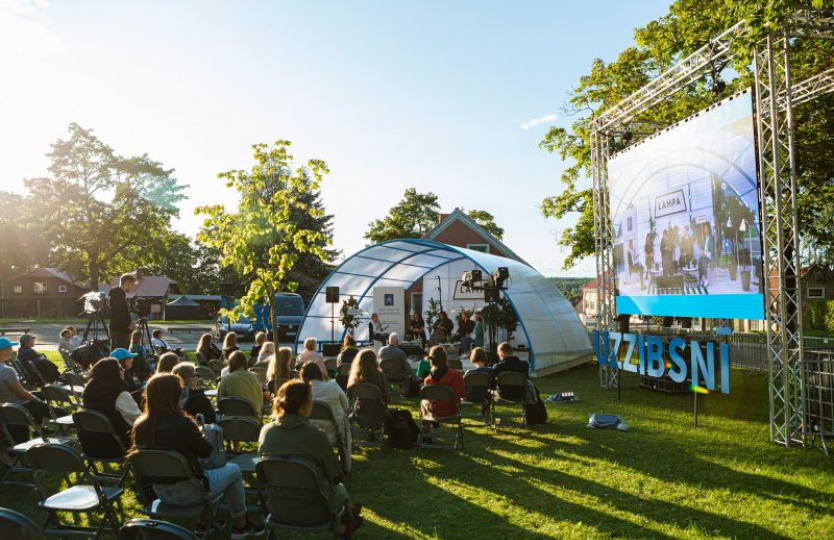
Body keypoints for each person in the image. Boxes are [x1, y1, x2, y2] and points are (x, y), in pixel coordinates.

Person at [131, 374, 264, 539]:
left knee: (204, 470)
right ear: (175, 396)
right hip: (191, 492)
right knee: (234, 470)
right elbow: (206, 451)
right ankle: (241, 526)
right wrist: (201, 435)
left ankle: (203, 524)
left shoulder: (140, 426)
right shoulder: (183, 424)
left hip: (160, 492)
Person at [258, 379, 362, 538]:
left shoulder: (266, 432)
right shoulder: (316, 436)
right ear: (304, 403)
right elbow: (333, 474)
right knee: (340, 489)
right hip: (316, 510)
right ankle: (344, 525)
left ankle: (347, 516)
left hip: (278, 506)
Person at [81, 356, 142, 454]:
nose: (123, 370)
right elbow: (138, 421)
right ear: (113, 373)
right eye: (120, 368)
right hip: (115, 446)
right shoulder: (120, 394)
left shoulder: (89, 391)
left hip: (90, 445)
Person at [0, 337, 53, 441]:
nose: (12, 351)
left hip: (6, 405)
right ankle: (80, 424)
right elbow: (22, 394)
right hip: (18, 406)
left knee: (39, 395)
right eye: (10, 348)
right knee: (53, 410)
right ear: (4, 350)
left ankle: (39, 429)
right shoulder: (7, 370)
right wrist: (36, 400)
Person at [299, 362, 351, 456]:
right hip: (333, 432)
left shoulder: (300, 390)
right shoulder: (333, 386)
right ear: (319, 373)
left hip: (307, 432)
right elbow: (346, 406)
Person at [420, 346, 465, 445]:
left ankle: (427, 434)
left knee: (423, 402)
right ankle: (429, 429)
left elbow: (428, 398)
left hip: (435, 411)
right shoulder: (456, 375)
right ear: (445, 358)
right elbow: (462, 393)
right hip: (453, 410)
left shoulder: (428, 380)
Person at [217, 351, 268, 417]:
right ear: (245, 363)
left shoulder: (226, 379)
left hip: (232, 418)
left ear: (230, 364)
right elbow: (260, 399)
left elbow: (220, 403)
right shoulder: (255, 376)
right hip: (254, 418)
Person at [108, 273, 137, 350]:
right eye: (132, 284)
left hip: (116, 329)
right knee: (121, 354)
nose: (132, 287)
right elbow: (119, 313)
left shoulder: (117, 294)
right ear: (127, 283)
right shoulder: (119, 295)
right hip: (119, 330)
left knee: (115, 353)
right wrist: (129, 325)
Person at [464, 347, 494, 416]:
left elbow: (463, 386)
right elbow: (492, 386)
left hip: (469, 396)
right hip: (483, 396)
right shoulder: (490, 371)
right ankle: (485, 413)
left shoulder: (469, 372)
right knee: (489, 395)